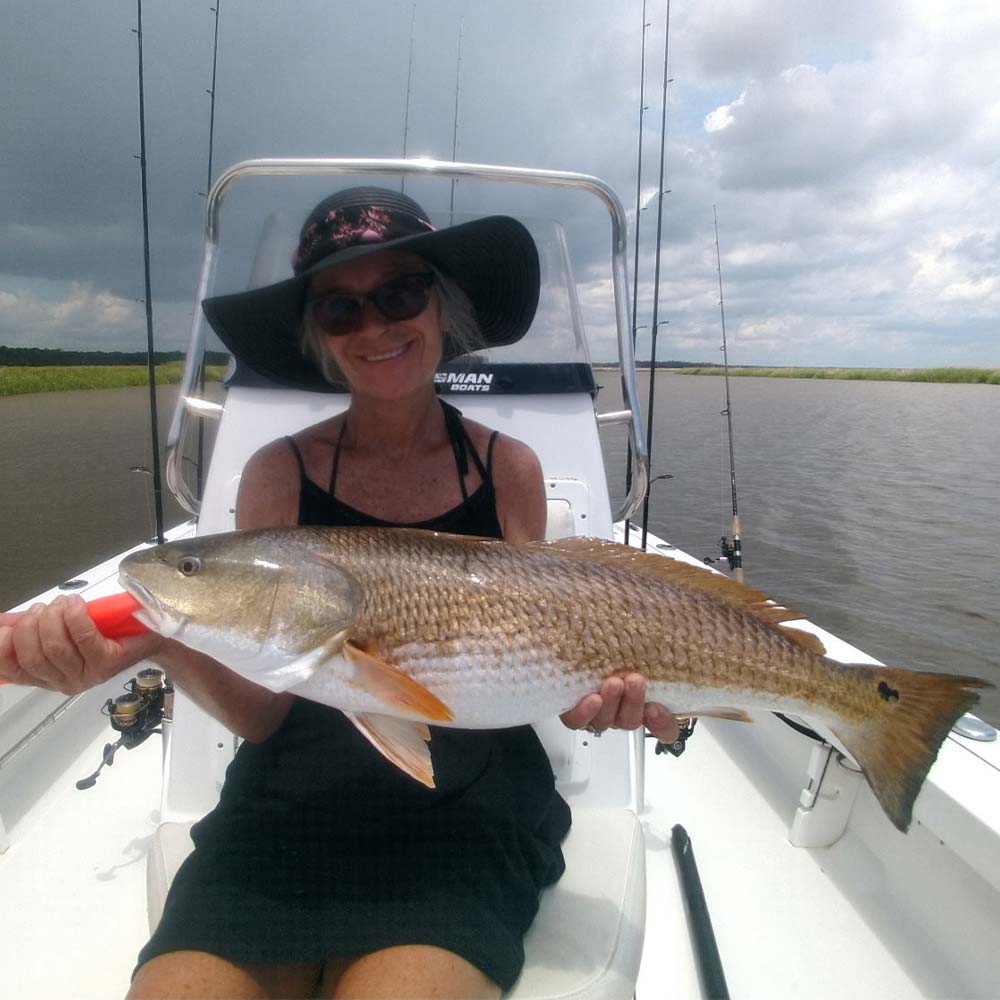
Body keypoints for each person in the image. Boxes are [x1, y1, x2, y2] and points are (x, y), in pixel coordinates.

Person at [0, 186, 679, 1000]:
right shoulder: (277, 471)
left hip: (468, 805)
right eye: (340, 309)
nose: (376, 327)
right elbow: (263, 712)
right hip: (286, 808)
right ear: (318, 336)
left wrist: (591, 698)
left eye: (400, 293)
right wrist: (161, 636)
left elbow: (544, 649)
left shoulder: (509, 469)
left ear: (442, 305)